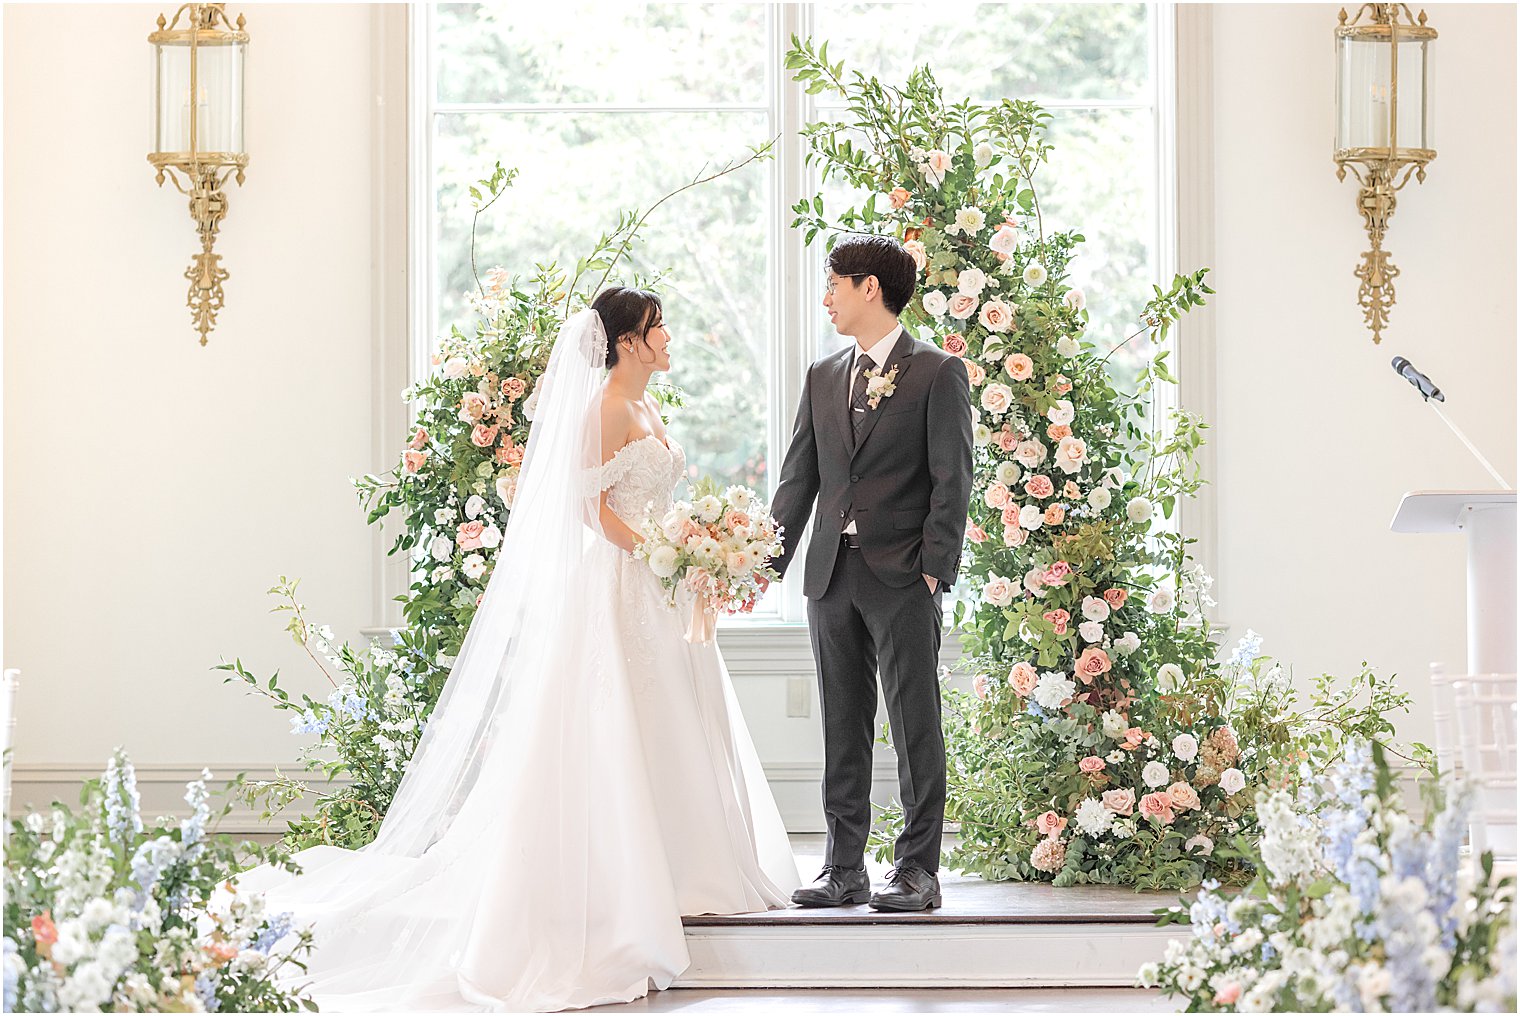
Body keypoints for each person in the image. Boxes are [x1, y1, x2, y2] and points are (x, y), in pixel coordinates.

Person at [231, 287, 800, 1011]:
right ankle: (620, 883)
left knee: (671, 720)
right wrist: (663, 551)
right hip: (622, 586)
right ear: (628, 342)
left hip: (659, 587)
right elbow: (584, 507)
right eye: (659, 329)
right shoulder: (606, 410)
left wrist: (688, 549)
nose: (669, 339)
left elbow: (644, 495)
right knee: (617, 719)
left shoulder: (648, 406)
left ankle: (689, 867)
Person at [767, 234, 974, 912]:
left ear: (870, 288)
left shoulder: (937, 372)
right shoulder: (823, 376)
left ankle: (919, 870)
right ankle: (844, 867)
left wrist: (933, 572)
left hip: (903, 576)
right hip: (831, 574)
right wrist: (764, 560)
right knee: (841, 723)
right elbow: (800, 479)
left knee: (916, 724)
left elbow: (953, 480)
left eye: (834, 285)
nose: (826, 298)